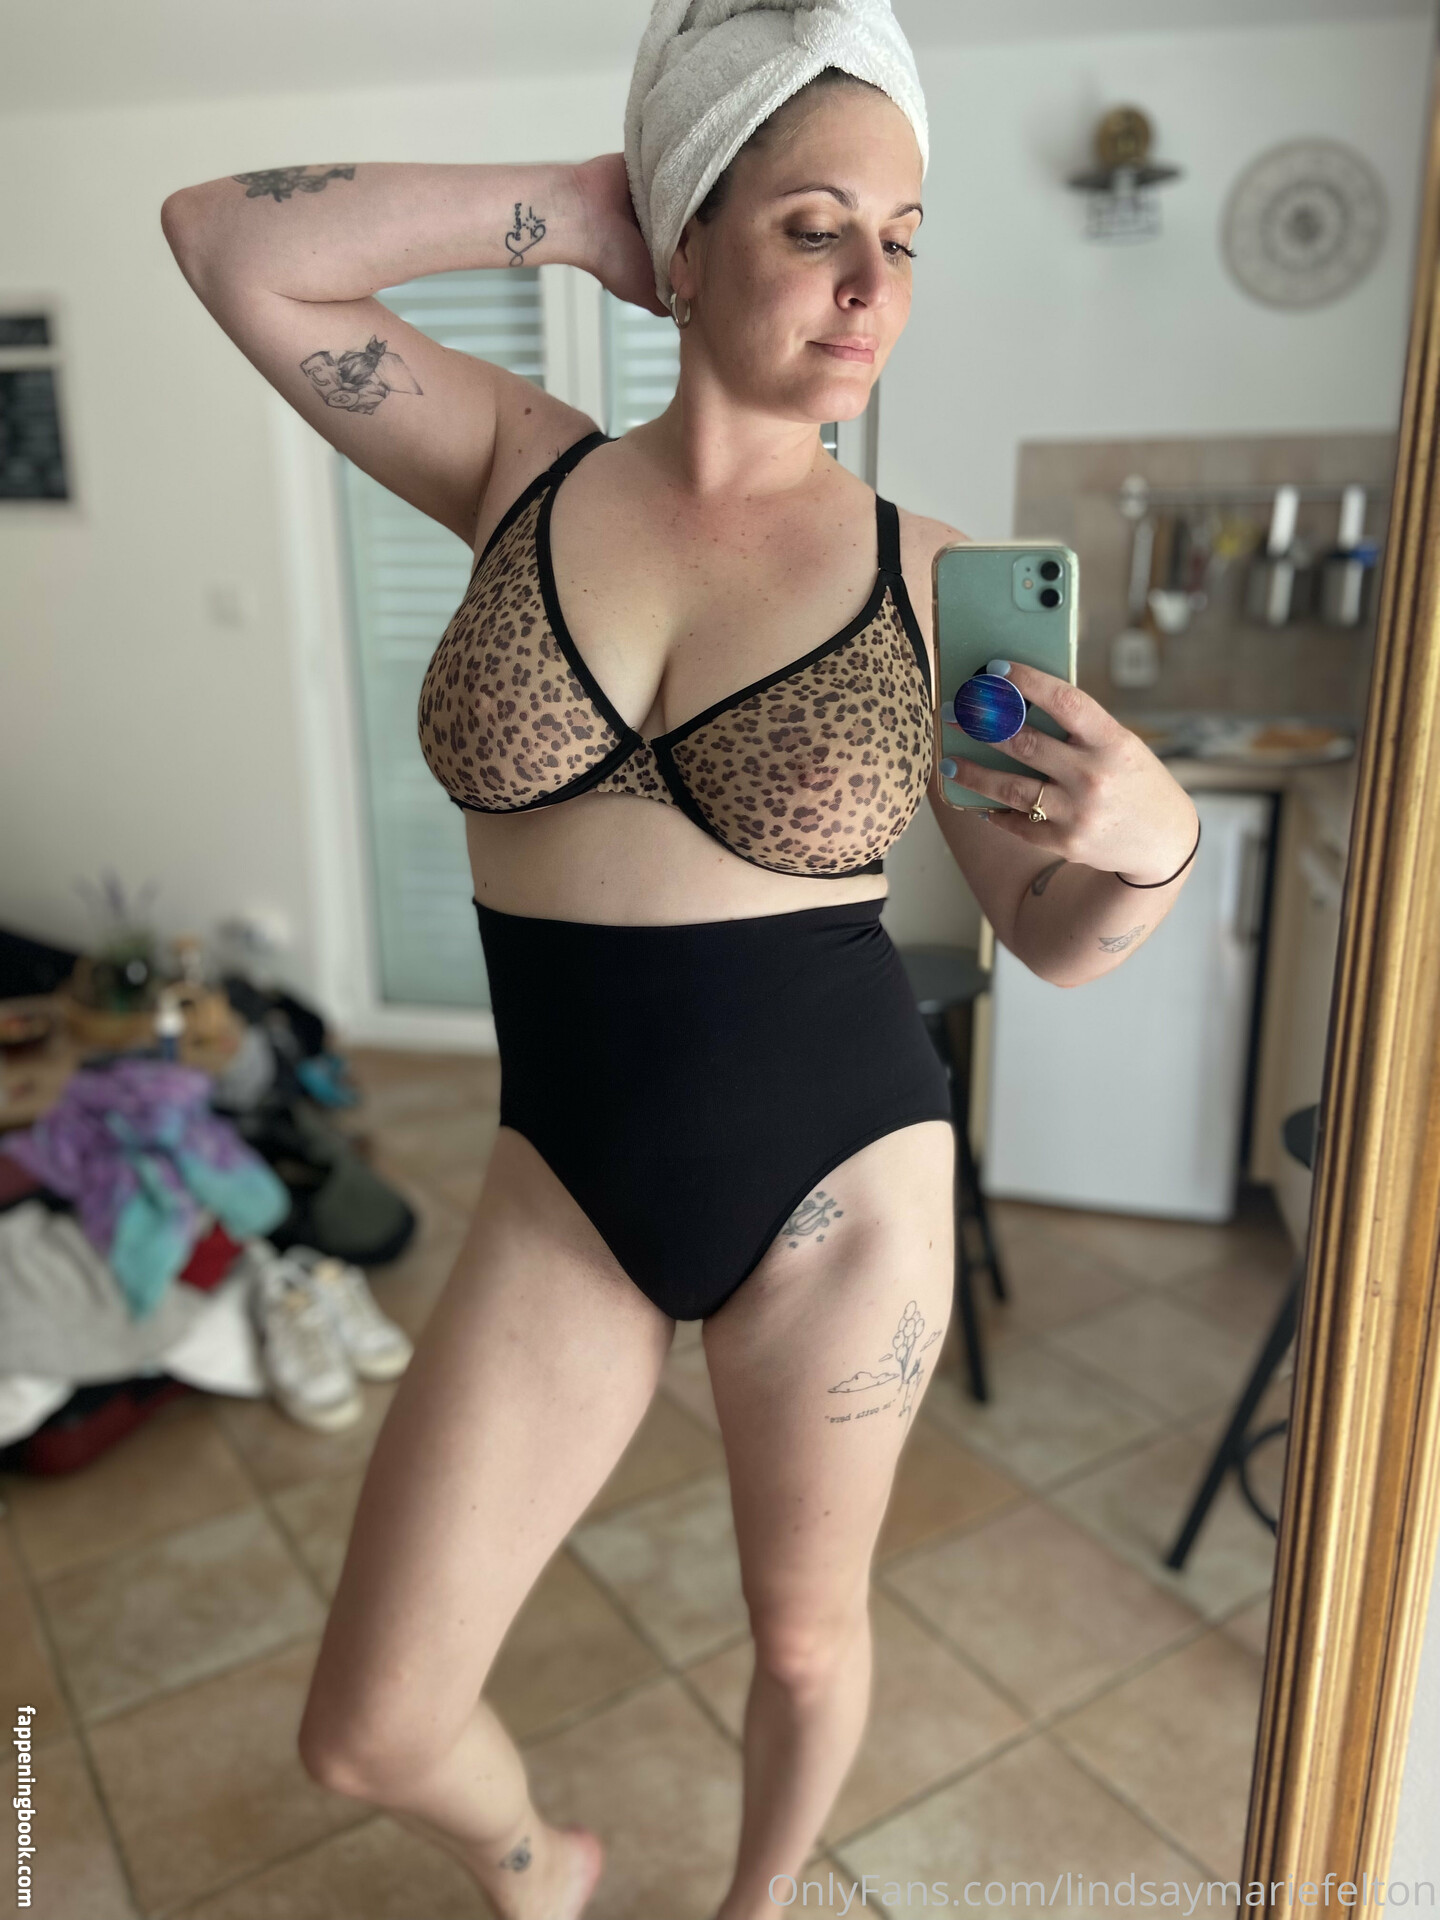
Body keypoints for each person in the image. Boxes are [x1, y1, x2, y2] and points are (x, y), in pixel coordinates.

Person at [160, 3, 1201, 1914]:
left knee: (801, 1640)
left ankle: (756, 1902)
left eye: (904, 239)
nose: (874, 285)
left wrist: (1153, 849)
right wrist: (582, 206)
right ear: (689, 238)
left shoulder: (931, 578)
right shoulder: (518, 469)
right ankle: (537, 1859)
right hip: (564, 1183)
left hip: (841, 1184)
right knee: (368, 1729)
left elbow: (1056, 943)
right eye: (816, 226)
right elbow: (228, 240)